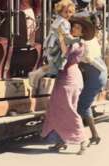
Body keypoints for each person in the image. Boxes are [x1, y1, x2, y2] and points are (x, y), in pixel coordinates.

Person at [41, 16, 95, 155]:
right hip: (65, 78)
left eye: (78, 28)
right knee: (56, 109)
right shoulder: (72, 40)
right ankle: (61, 140)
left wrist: (59, 35)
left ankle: (83, 139)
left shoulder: (77, 43)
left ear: (82, 33)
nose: (74, 28)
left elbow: (65, 52)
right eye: (73, 26)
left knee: (68, 110)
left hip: (70, 79)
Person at [29, 0, 77, 87]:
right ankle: (35, 75)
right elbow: (65, 35)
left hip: (55, 45)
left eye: (70, 12)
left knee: (53, 66)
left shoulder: (61, 20)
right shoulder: (63, 22)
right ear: (60, 11)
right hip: (55, 46)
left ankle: (37, 76)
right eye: (65, 12)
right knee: (53, 65)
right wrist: (76, 40)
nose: (68, 14)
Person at [77, 14, 107, 147]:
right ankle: (94, 135)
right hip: (99, 74)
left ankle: (89, 135)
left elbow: (88, 59)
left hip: (96, 75)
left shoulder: (84, 42)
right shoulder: (93, 38)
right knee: (84, 105)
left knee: (82, 105)